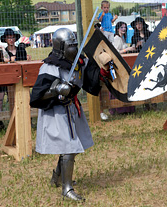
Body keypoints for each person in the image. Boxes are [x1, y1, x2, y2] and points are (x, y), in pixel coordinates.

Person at [30, 28, 112, 201]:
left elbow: (90, 79)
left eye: (75, 44)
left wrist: (102, 73)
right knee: (69, 147)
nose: (74, 48)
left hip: (72, 108)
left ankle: (57, 177)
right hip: (56, 111)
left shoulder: (79, 62)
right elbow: (37, 96)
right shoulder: (50, 66)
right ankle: (67, 189)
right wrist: (56, 89)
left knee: (70, 146)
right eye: (70, 45)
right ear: (60, 46)